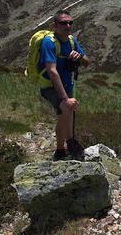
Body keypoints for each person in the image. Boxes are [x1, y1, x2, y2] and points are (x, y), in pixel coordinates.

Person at [39, 9, 90, 160]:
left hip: (67, 85)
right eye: (63, 23)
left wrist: (79, 56)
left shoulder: (71, 41)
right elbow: (52, 72)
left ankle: (65, 147)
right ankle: (65, 146)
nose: (67, 26)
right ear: (55, 25)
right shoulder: (49, 43)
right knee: (65, 109)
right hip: (50, 86)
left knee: (68, 114)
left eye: (70, 22)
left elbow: (87, 62)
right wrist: (65, 99)